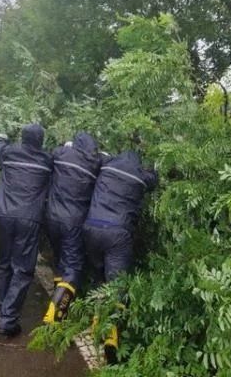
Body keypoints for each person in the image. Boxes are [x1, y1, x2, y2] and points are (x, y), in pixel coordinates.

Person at [83, 150, 157, 362]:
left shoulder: (107, 166)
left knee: (98, 278)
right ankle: (110, 337)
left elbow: (98, 157)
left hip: (91, 228)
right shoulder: (139, 176)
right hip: (117, 233)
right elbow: (154, 179)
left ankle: (97, 323)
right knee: (116, 285)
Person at [0, 124, 52, 337]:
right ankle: (7, 319)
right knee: (23, 269)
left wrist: (2, 134)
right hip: (29, 218)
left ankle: (3, 311)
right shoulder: (46, 160)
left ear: (23, 138)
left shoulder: (8, 153)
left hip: (5, 216)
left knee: (4, 265)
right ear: (41, 140)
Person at [42, 132, 101, 324]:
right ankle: (57, 309)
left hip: (51, 217)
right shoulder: (94, 163)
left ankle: (60, 307)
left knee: (60, 260)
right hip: (73, 221)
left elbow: (51, 156)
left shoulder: (61, 154)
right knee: (73, 266)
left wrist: (66, 147)